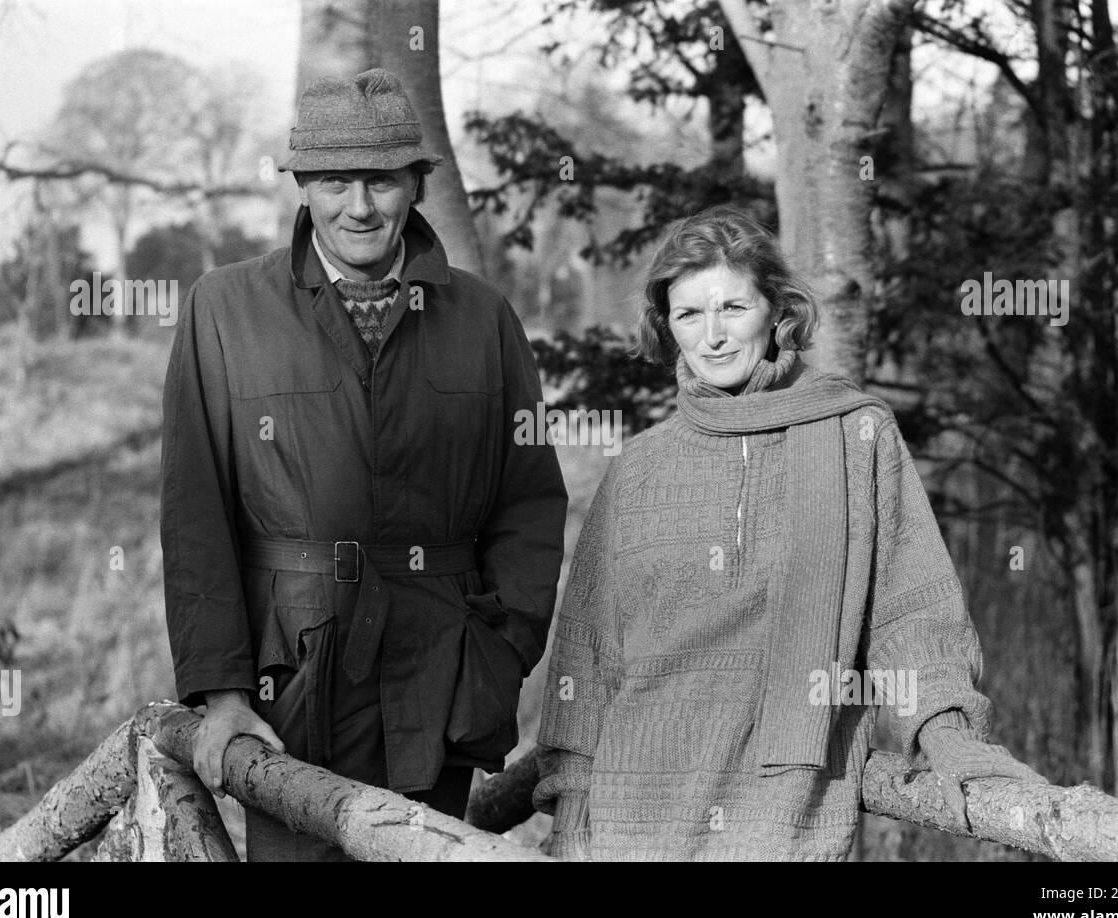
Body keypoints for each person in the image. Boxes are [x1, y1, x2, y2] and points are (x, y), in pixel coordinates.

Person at [533, 205, 1045, 861]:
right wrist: (571, 822)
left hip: (785, 815)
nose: (713, 335)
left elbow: (909, 610)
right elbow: (589, 655)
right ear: (667, 325)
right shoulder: (638, 466)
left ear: (777, 310)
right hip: (631, 819)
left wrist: (951, 737)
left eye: (733, 308)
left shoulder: (855, 435)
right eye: (690, 314)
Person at [160, 68, 567, 860]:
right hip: (291, 685)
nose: (359, 206)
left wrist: (499, 652)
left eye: (381, 180)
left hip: (439, 677)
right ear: (302, 186)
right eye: (335, 181)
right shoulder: (224, 308)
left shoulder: (482, 316)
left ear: (417, 183)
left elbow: (528, 503)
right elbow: (194, 511)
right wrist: (222, 691)